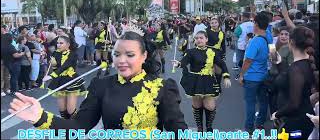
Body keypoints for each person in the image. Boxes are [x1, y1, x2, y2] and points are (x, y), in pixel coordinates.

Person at [9, 28, 188, 137]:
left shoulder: (162, 87)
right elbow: (78, 127)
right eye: (117, 55)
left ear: (144, 56)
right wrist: (39, 117)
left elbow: (178, 131)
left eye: (130, 55)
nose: (121, 60)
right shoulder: (101, 86)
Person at [172, 30, 231, 132]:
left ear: (206, 39)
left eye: (201, 38)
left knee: (210, 106)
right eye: (197, 38)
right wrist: (178, 64)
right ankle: (200, 128)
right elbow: (184, 62)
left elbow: (222, 64)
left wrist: (226, 76)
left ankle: (209, 127)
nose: (199, 40)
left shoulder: (213, 52)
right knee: (197, 105)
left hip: (209, 81)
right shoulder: (191, 52)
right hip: (196, 81)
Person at [271, 26, 316, 139]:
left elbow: (294, 104)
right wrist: (280, 63)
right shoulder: (306, 64)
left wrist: (277, 114)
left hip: (295, 121)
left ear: (291, 42)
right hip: (302, 118)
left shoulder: (297, 69)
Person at [238, 12, 273, 134]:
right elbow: (272, 52)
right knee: (263, 102)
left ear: (256, 24)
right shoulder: (268, 35)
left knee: (250, 103)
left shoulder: (255, 41)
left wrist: (241, 75)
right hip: (264, 74)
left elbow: (248, 61)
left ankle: (249, 128)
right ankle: (260, 124)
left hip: (252, 77)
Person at [42, 35, 87, 119]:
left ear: (68, 44)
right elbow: (57, 68)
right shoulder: (56, 53)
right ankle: (65, 126)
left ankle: (76, 126)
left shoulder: (73, 54)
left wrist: (51, 76)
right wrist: (54, 65)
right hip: (59, 80)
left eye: (61, 43)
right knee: (62, 110)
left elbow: (65, 66)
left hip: (71, 80)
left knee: (70, 110)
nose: (58, 45)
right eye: (58, 43)